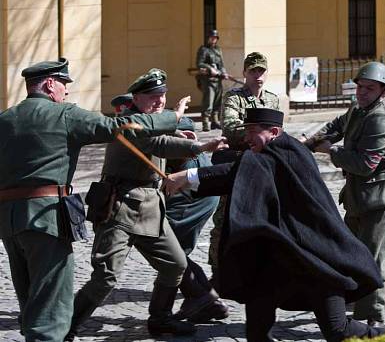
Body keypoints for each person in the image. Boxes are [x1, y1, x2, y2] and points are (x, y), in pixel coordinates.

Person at [0, 58, 188, 342]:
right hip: (47, 218)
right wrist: (171, 117)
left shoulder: (5, 118)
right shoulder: (64, 114)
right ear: (50, 84)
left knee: (30, 299)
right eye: (64, 85)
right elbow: (121, 126)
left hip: (9, 221)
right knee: (51, 306)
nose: (66, 92)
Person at [164, 108, 385, 342]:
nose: (246, 137)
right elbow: (241, 170)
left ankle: (384, 337)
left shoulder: (285, 153)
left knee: (338, 331)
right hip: (278, 263)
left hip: (317, 263)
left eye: (252, 131)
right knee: (257, 331)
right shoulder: (271, 152)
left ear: (273, 132)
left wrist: (186, 177)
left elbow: (236, 172)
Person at [66, 68, 228, 340]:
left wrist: (184, 136)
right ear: (136, 98)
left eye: (162, 95)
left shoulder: (152, 121)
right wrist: (200, 148)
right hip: (120, 210)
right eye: (152, 97)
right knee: (105, 277)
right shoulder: (129, 123)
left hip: (152, 210)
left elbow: (164, 139)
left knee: (175, 264)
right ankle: (65, 325)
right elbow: (159, 143)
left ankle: (161, 318)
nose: (159, 101)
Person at [305, 62, 385, 327]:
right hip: (363, 193)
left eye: (370, 88)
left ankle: (371, 318)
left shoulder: (381, 117)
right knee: (355, 246)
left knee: (370, 257)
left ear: (383, 91)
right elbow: (340, 123)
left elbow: (365, 164)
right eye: (360, 87)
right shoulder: (359, 107)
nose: (362, 92)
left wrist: (329, 150)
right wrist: (311, 140)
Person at [208, 51, 280, 274]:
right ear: (245, 73)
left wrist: (264, 136)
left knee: (263, 217)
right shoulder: (234, 97)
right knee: (224, 218)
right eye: (253, 71)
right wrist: (259, 133)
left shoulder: (272, 99)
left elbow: (278, 132)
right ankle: (218, 270)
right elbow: (230, 128)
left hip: (264, 165)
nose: (257, 75)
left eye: (261, 70)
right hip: (239, 164)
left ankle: (255, 268)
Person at [164, 116, 229, 323]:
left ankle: (200, 299)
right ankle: (208, 301)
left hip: (194, 199)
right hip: (198, 195)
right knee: (173, 251)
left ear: (189, 136)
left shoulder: (184, 150)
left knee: (167, 249)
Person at [197, 29, 229, 131]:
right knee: (208, 102)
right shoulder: (203, 49)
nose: (213, 40)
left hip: (218, 80)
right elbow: (200, 63)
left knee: (217, 102)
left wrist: (224, 72)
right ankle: (205, 123)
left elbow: (221, 64)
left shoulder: (218, 50)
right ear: (208, 38)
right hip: (208, 80)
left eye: (215, 38)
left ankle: (215, 122)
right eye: (212, 38)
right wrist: (210, 69)